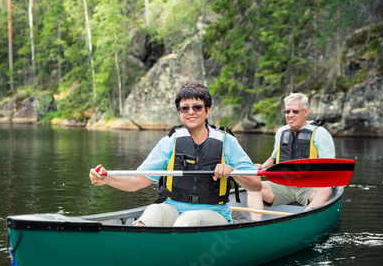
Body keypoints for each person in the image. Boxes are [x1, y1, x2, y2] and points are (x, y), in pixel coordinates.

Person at [89, 82, 262, 226]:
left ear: (207, 111)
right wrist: (107, 179)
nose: (191, 112)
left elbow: (255, 185)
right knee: (152, 212)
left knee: (187, 220)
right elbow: (136, 182)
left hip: (213, 213)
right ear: (179, 112)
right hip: (172, 208)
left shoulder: (227, 142)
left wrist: (232, 172)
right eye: (184, 108)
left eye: (197, 107)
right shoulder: (170, 142)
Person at [252, 93, 335, 218]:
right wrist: (261, 166)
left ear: (305, 112)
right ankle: (255, 225)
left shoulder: (320, 134)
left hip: (309, 187)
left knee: (325, 190)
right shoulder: (281, 132)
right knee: (252, 186)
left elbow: (330, 168)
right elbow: (273, 158)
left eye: (295, 111)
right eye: (287, 111)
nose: (290, 115)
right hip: (282, 186)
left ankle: (305, 221)